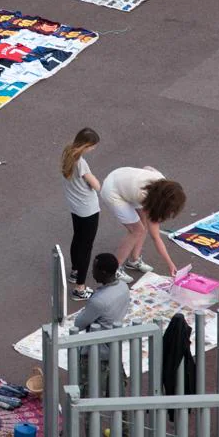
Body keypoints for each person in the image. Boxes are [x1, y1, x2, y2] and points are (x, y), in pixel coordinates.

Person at [100, 167, 185, 283]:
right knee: (137, 230)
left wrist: (135, 178)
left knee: (143, 223)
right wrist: (170, 264)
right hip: (112, 191)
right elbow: (156, 237)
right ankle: (114, 269)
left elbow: (148, 167)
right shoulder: (144, 196)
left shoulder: (160, 181)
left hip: (121, 177)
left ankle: (134, 260)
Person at [61, 127, 102, 301]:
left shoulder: (67, 155)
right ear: (86, 145)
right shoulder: (81, 163)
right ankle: (80, 287)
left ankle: (74, 270)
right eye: (92, 146)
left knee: (77, 238)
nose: (93, 149)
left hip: (75, 206)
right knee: (86, 247)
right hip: (88, 209)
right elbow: (96, 185)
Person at [72, 253, 131, 332]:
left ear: (103, 272)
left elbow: (78, 324)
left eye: (94, 269)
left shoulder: (98, 301)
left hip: (99, 340)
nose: (92, 271)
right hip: (116, 330)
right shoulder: (124, 286)